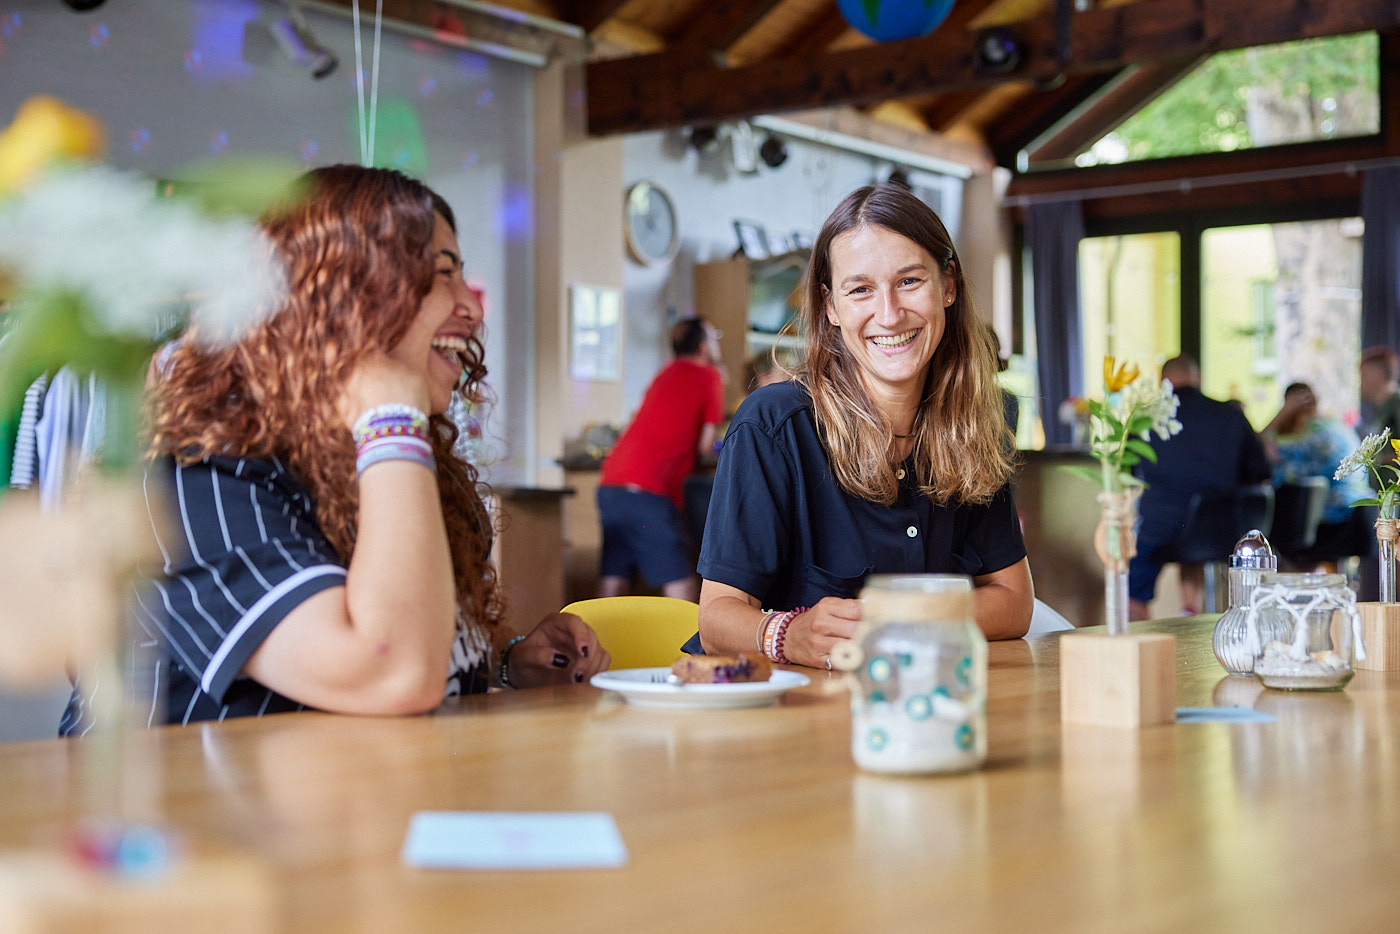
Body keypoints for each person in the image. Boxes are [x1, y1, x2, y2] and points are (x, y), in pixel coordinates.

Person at [60, 165, 609, 735]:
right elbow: (390, 674)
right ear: (345, 300)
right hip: (193, 796)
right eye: (441, 273)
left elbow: (409, 635)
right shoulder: (194, 472)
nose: (471, 307)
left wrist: (505, 662)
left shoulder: (404, 461)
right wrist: (390, 410)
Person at [689, 183, 1032, 668]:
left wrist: (895, 618)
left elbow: (1014, 601)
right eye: (860, 290)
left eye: (909, 281)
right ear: (830, 306)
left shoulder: (973, 428)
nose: (888, 315)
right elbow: (716, 618)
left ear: (948, 285)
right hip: (786, 706)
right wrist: (787, 634)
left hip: (915, 699)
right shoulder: (774, 426)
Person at [1127, 354, 1271, 619]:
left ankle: (1139, 634)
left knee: (1133, 586)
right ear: (1198, 378)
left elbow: (1130, 472)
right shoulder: (1231, 415)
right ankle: (1190, 611)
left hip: (1163, 529)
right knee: (1193, 546)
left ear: (1162, 383)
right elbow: (1260, 472)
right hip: (1221, 530)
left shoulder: (1144, 420)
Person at [596, 317, 725, 601]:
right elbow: (706, 446)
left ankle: (595, 632)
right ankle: (690, 634)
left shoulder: (665, 373)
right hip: (648, 491)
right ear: (704, 347)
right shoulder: (709, 376)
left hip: (611, 484)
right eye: (715, 337)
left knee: (615, 578)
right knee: (680, 581)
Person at [1262, 381, 1374, 571]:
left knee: (1276, 520)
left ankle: (1292, 581)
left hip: (1337, 518)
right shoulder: (1336, 426)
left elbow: (1261, 448)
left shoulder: (1313, 435)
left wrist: (1281, 415)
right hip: (1360, 513)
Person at [1360, 345, 1400, 446]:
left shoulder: (1397, 405)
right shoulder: (1383, 409)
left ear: (1377, 376)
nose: (1360, 384)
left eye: (1363, 376)